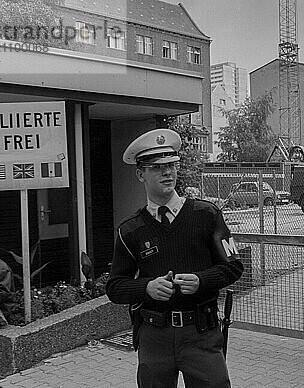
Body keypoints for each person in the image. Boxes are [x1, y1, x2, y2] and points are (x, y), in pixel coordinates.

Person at [106, 128, 244, 388]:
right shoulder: (131, 230)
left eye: (171, 165)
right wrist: (146, 287)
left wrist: (201, 281)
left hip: (201, 335)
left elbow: (234, 267)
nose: (167, 172)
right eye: (157, 167)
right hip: (154, 337)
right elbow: (115, 287)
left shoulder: (207, 215)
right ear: (140, 174)